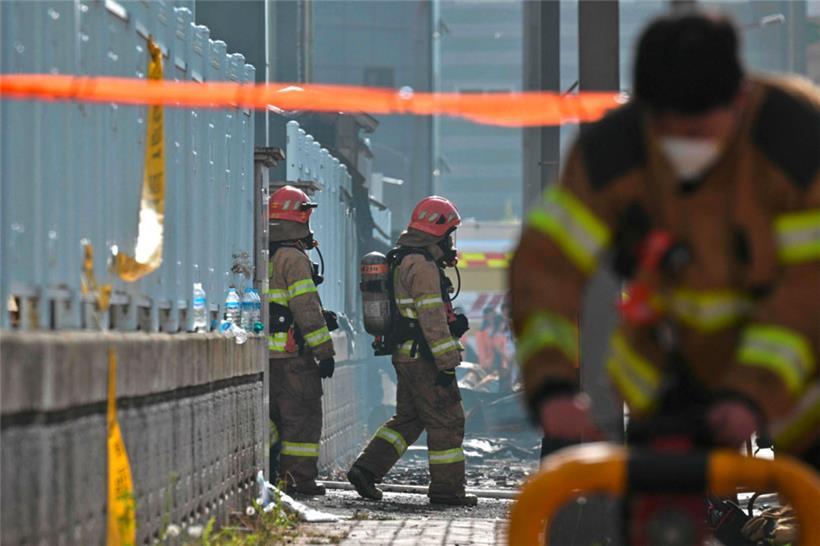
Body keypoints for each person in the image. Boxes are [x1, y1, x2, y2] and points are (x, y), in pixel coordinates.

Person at [510, 12, 819, 455]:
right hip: (666, 382)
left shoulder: (794, 141)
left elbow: (808, 290)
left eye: (699, 131)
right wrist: (552, 384)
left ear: (739, 100)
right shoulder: (613, 152)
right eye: (668, 129)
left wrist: (752, 393)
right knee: (658, 516)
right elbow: (547, 264)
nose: (683, 144)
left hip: (797, 383)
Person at [347, 196, 477, 506]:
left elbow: (420, 315)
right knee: (447, 420)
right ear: (437, 232)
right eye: (449, 233)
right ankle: (448, 491)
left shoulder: (404, 259)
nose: (450, 241)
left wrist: (453, 324)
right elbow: (430, 318)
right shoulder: (422, 265)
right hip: (425, 359)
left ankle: (366, 469)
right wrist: (447, 363)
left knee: (409, 419)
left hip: (407, 354)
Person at [267, 185, 337, 496]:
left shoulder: (263, 253)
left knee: (275, 419)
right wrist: (324, 351)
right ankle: (298, 479)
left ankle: (272, 474)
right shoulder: (293, 258)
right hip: (294, 357)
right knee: (303, 417)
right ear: (300, 217)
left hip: (267, 357)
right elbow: (305, 307)